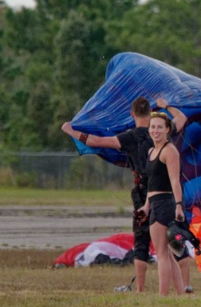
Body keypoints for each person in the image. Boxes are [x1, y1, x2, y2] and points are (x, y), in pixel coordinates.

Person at [62, 97, 155, 292]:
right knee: (166, 240)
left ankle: (140, 289)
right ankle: (182, 287)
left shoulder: (130, 137)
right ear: (151, 113)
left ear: (132, 114)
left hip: (143, 191)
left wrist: (71, 131)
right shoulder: (161, 133)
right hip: (164, 191)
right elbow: (180, 123)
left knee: (141, 240)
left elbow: (96, 141)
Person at [137, 111, 187, 296]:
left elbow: (175, 181)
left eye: (159, 127)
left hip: (165, 204)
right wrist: (146, 205)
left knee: (161, 253)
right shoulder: (152, 151)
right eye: (152, 127)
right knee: (166, 252)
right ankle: (180, 293)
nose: (155, 130)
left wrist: (179, 205)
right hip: (154, 203)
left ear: (167, 129)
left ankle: (162, 295)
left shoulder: (169, 150)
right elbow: (152, 184)